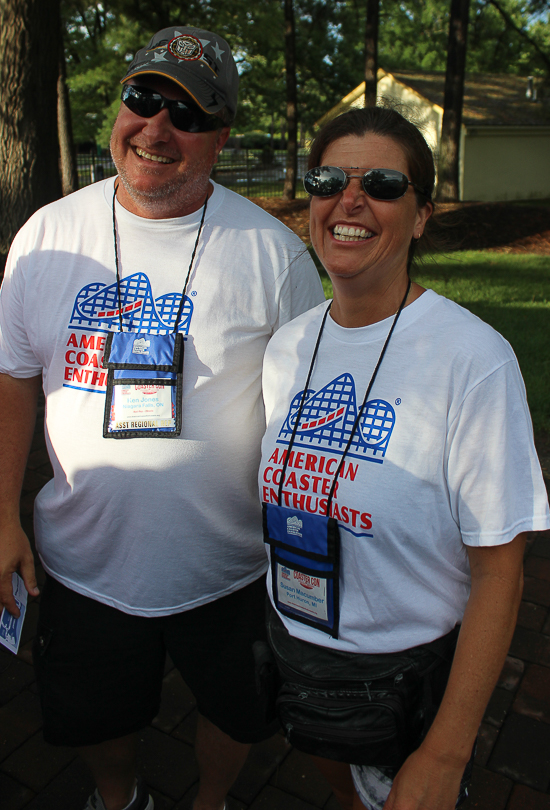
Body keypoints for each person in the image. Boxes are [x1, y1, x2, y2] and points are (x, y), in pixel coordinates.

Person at [0, 25, 324, 810]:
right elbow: (13, 379)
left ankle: (209, 801)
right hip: (84, 560)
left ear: (218, 136)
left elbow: (306, 409)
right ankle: (121, 798)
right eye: (143, 98)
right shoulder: (46, 234)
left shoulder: (273, 255)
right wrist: (0, 513)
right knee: (93, 713)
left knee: (238, 707)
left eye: (187, 113)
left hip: (232, 565)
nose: (156, 127)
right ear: (119, 105)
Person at [258, 106, 550, 810]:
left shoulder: (472, 360)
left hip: (404, 669)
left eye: (383, 183)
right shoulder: (288, 345)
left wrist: (447, 753)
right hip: (296, 635)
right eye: (328, 178)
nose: (349, 200)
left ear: (420, 216)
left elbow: (500, 572)